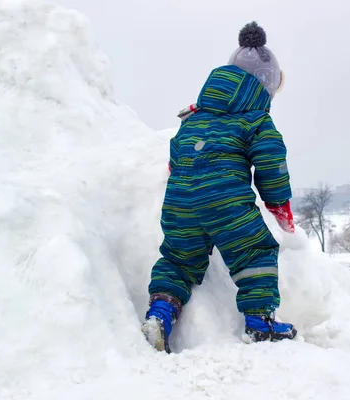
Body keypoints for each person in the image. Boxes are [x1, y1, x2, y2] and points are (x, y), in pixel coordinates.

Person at [141, 22, 296, 353]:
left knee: (178, 259)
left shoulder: (196, 117)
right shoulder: (255, 119)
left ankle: (160, 314)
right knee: (254, 250)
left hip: (180, 202)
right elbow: (271, 161)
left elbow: (176, 150)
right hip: (226, 202)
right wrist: (278, 203)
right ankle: (260, 322)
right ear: (264, 86)